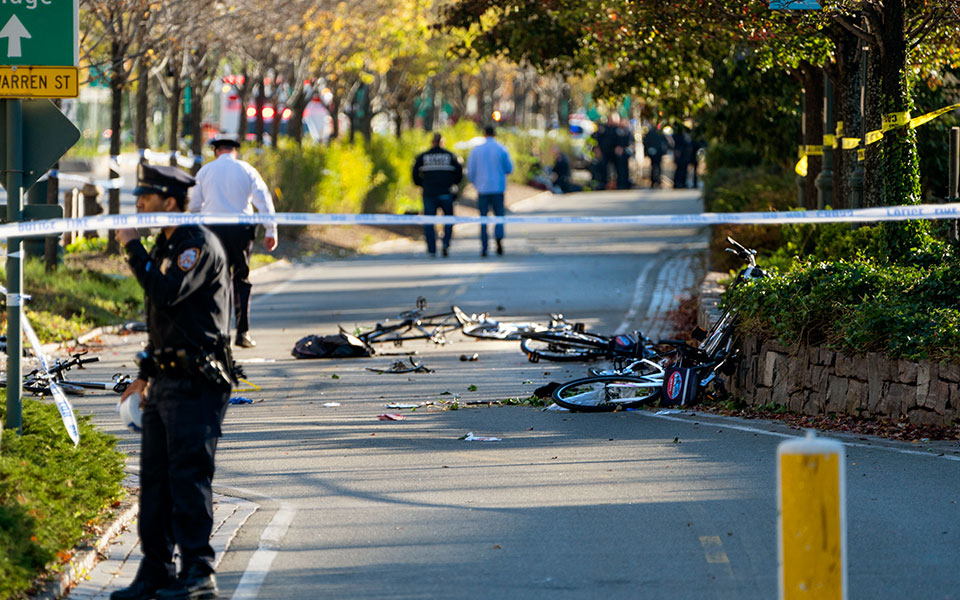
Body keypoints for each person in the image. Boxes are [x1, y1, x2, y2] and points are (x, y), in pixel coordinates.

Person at [112, 164, 234, 600]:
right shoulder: (166, 246)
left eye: (145, 197)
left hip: (197, 381)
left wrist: (132, 249)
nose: (138, 205)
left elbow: (165, 293)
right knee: (156, 483)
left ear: (168, 201)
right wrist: (142, 378)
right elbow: (163, 319)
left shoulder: (194, 245)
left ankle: (198, 573)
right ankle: (156, 569)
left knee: (188, 478)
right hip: (164, 381)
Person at [190, 134, 277, 348]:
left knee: (215, 280)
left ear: (216, 151)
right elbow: (263, 200)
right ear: (235, 151)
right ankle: (243, 332)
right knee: (241, 279)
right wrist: (270, 230)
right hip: (241, 230)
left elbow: (192, 204)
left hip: (213, 231)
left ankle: (218, 332)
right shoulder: (247, 170)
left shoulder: (205, 171)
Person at [412, 133, 463, 257]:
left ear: (432, 142)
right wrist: (452, 183)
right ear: (442, 142)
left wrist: (422, 184)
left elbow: (414, 174)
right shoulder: (450, 156)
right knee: (448, 220)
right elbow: (459, 173)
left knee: (429, 221)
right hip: (446, 193)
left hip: (429, 193)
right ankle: (445, 244)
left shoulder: (424, 157)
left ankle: (432, 249)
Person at [466, 125, 513, 256]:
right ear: (495, 134)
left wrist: (475, 182)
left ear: (484, 134)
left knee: (483, 218)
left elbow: (470, 172)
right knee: (499, 217)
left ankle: (484, 246)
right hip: (498, 188)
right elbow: (509, 168)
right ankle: (499, 239)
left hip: (482, 189)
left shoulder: (476, 150)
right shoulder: (502, 149)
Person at [643, 124, 671, 188]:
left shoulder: (651, 133)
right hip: (657, 152)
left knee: (655, 166)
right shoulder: (658, 133)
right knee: (656, 166)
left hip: (656, 152)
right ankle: (656, 179)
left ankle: (655, 180)